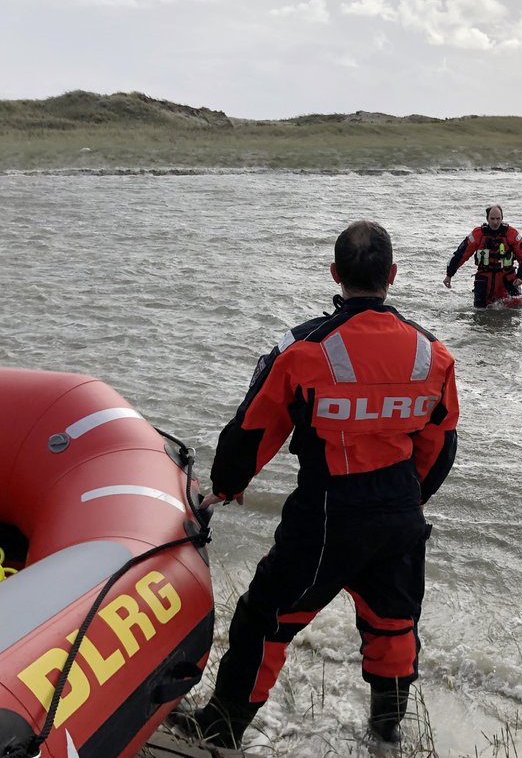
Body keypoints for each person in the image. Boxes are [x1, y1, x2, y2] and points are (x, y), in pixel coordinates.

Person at [175, 220, 460, 750]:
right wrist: (408, 498)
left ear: (335, 274)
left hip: (328, 512)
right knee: (394, 625)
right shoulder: (433, 354)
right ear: (392, 275)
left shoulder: (306, 349)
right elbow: (440, 446)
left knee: (265, 618)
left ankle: (221, 727)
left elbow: (255, 429)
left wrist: (227, 484)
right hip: (400, 511)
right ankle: (386, 732)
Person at [443, 205, 522, 308]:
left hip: (508, 282)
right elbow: (461, 254)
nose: (495, 222)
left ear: (502, 218)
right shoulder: (478, 234)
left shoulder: (512, 234)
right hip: (484, 282)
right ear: (487, 219)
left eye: (498, 219)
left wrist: (520, 277)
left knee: (517, 309)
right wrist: (449, 274)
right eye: (492, 219)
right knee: (479, 315)